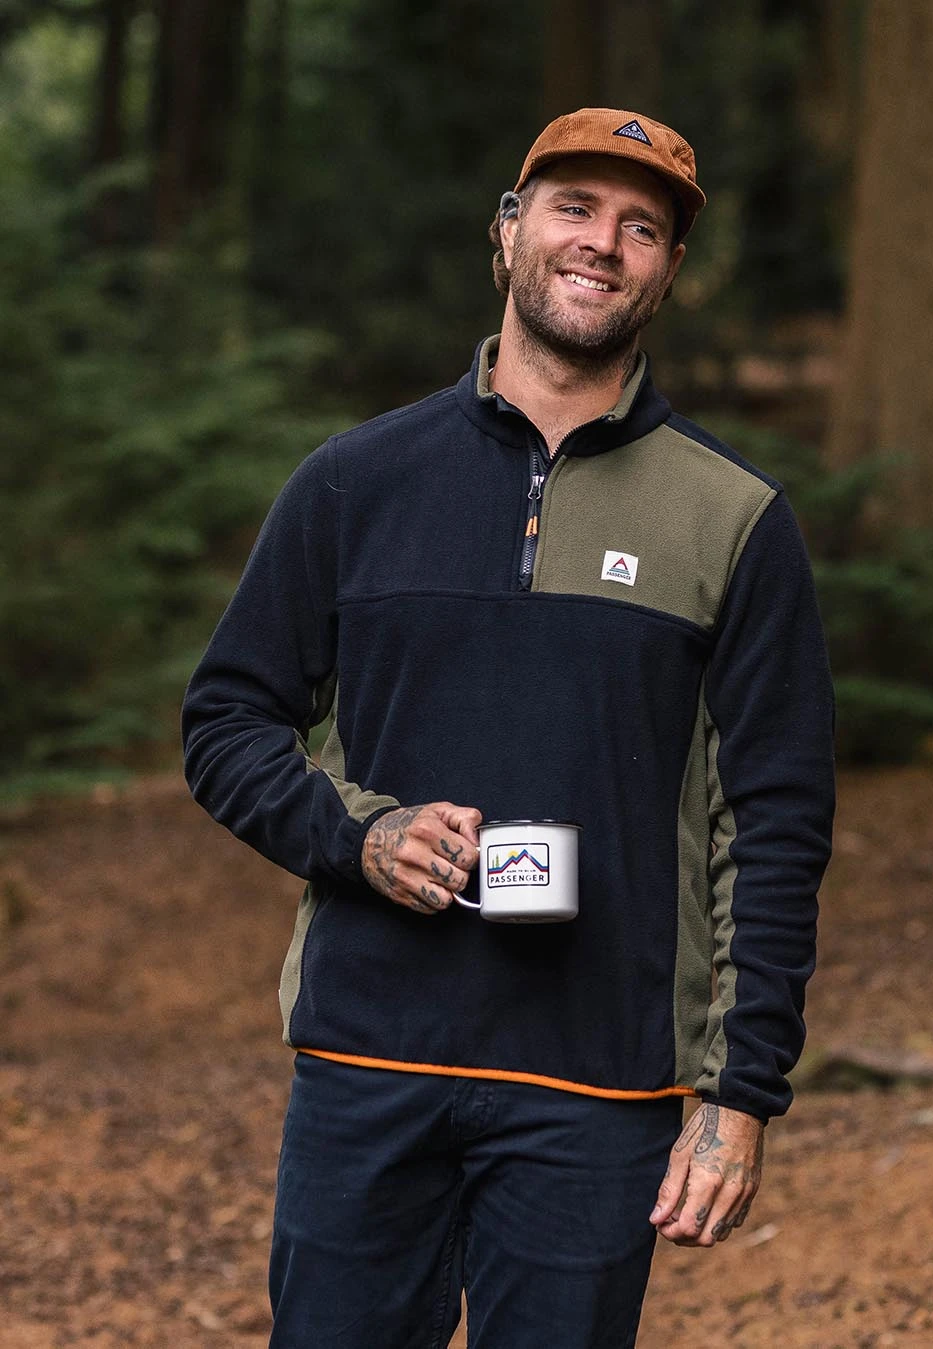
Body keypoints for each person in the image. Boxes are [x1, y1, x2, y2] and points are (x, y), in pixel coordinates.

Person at [182, 107, 835, 1349]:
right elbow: (226, 719)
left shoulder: (734, 518)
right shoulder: (354, 481)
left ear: (669, 272)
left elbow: (774, 821)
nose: (603, 243)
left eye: (642, 227)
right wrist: (360, 835)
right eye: (574, 207)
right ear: (508, 231)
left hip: (600, 1079)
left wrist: (740, 1090)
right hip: (370, 1060)